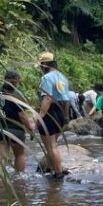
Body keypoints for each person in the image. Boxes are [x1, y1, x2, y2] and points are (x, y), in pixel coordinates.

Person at [0, 67, 33, 172]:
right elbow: (22, 115)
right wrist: (30, 129)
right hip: (15, 130)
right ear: (17, 80)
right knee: (19, 155)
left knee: (1, 158)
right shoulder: (18, 94)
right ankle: (19, 180)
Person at [36, 51, 71, 179]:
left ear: (45, 64)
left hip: (50, 113)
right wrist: (66, 117)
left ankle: (58, 173)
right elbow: (66, 99)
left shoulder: (46, 78)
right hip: (61, 112)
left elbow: (47, 99)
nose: (40, 67)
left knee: (51, 146)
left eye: (41, 65)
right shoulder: (63, 77)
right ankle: (55, 168)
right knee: (54, 144)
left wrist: (39, 117)